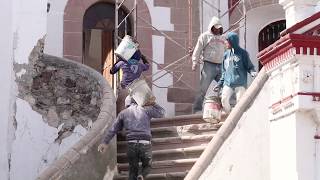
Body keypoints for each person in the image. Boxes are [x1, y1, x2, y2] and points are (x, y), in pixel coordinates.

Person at [98, 96, 165, 180]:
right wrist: (153, 103)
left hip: (131, 144)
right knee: (147, 165)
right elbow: (162, 112)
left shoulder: (123, 113)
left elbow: (113, 129)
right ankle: (142, 175)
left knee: (133, 170)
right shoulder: (146, 110)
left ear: (126, 104)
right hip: (145, 143)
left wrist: (105, 142)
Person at [214, 32, 257, 114]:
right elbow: (224, 71)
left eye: (227, 41)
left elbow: (249, 66)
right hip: (228, 83)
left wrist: (253, 72)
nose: (225, 43)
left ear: (232, 41)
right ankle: (230, 114)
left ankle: (237, 117)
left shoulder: (243, 53)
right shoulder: (226, 55)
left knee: (240, 103)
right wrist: (219, 84)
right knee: (224, 99)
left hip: (240, 83)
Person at [191, 16, 225, 113]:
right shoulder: (204, 36)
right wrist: (194, 61)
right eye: (215, 27)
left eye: (219, 28)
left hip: (221, 65)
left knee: (226, 86)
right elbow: (198, 49)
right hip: (209, 66)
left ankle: (227, 106)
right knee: (203, 89)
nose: (217, 29)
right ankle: (197, 109)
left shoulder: (223, 38)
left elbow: (227, 50)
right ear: (212, 27)